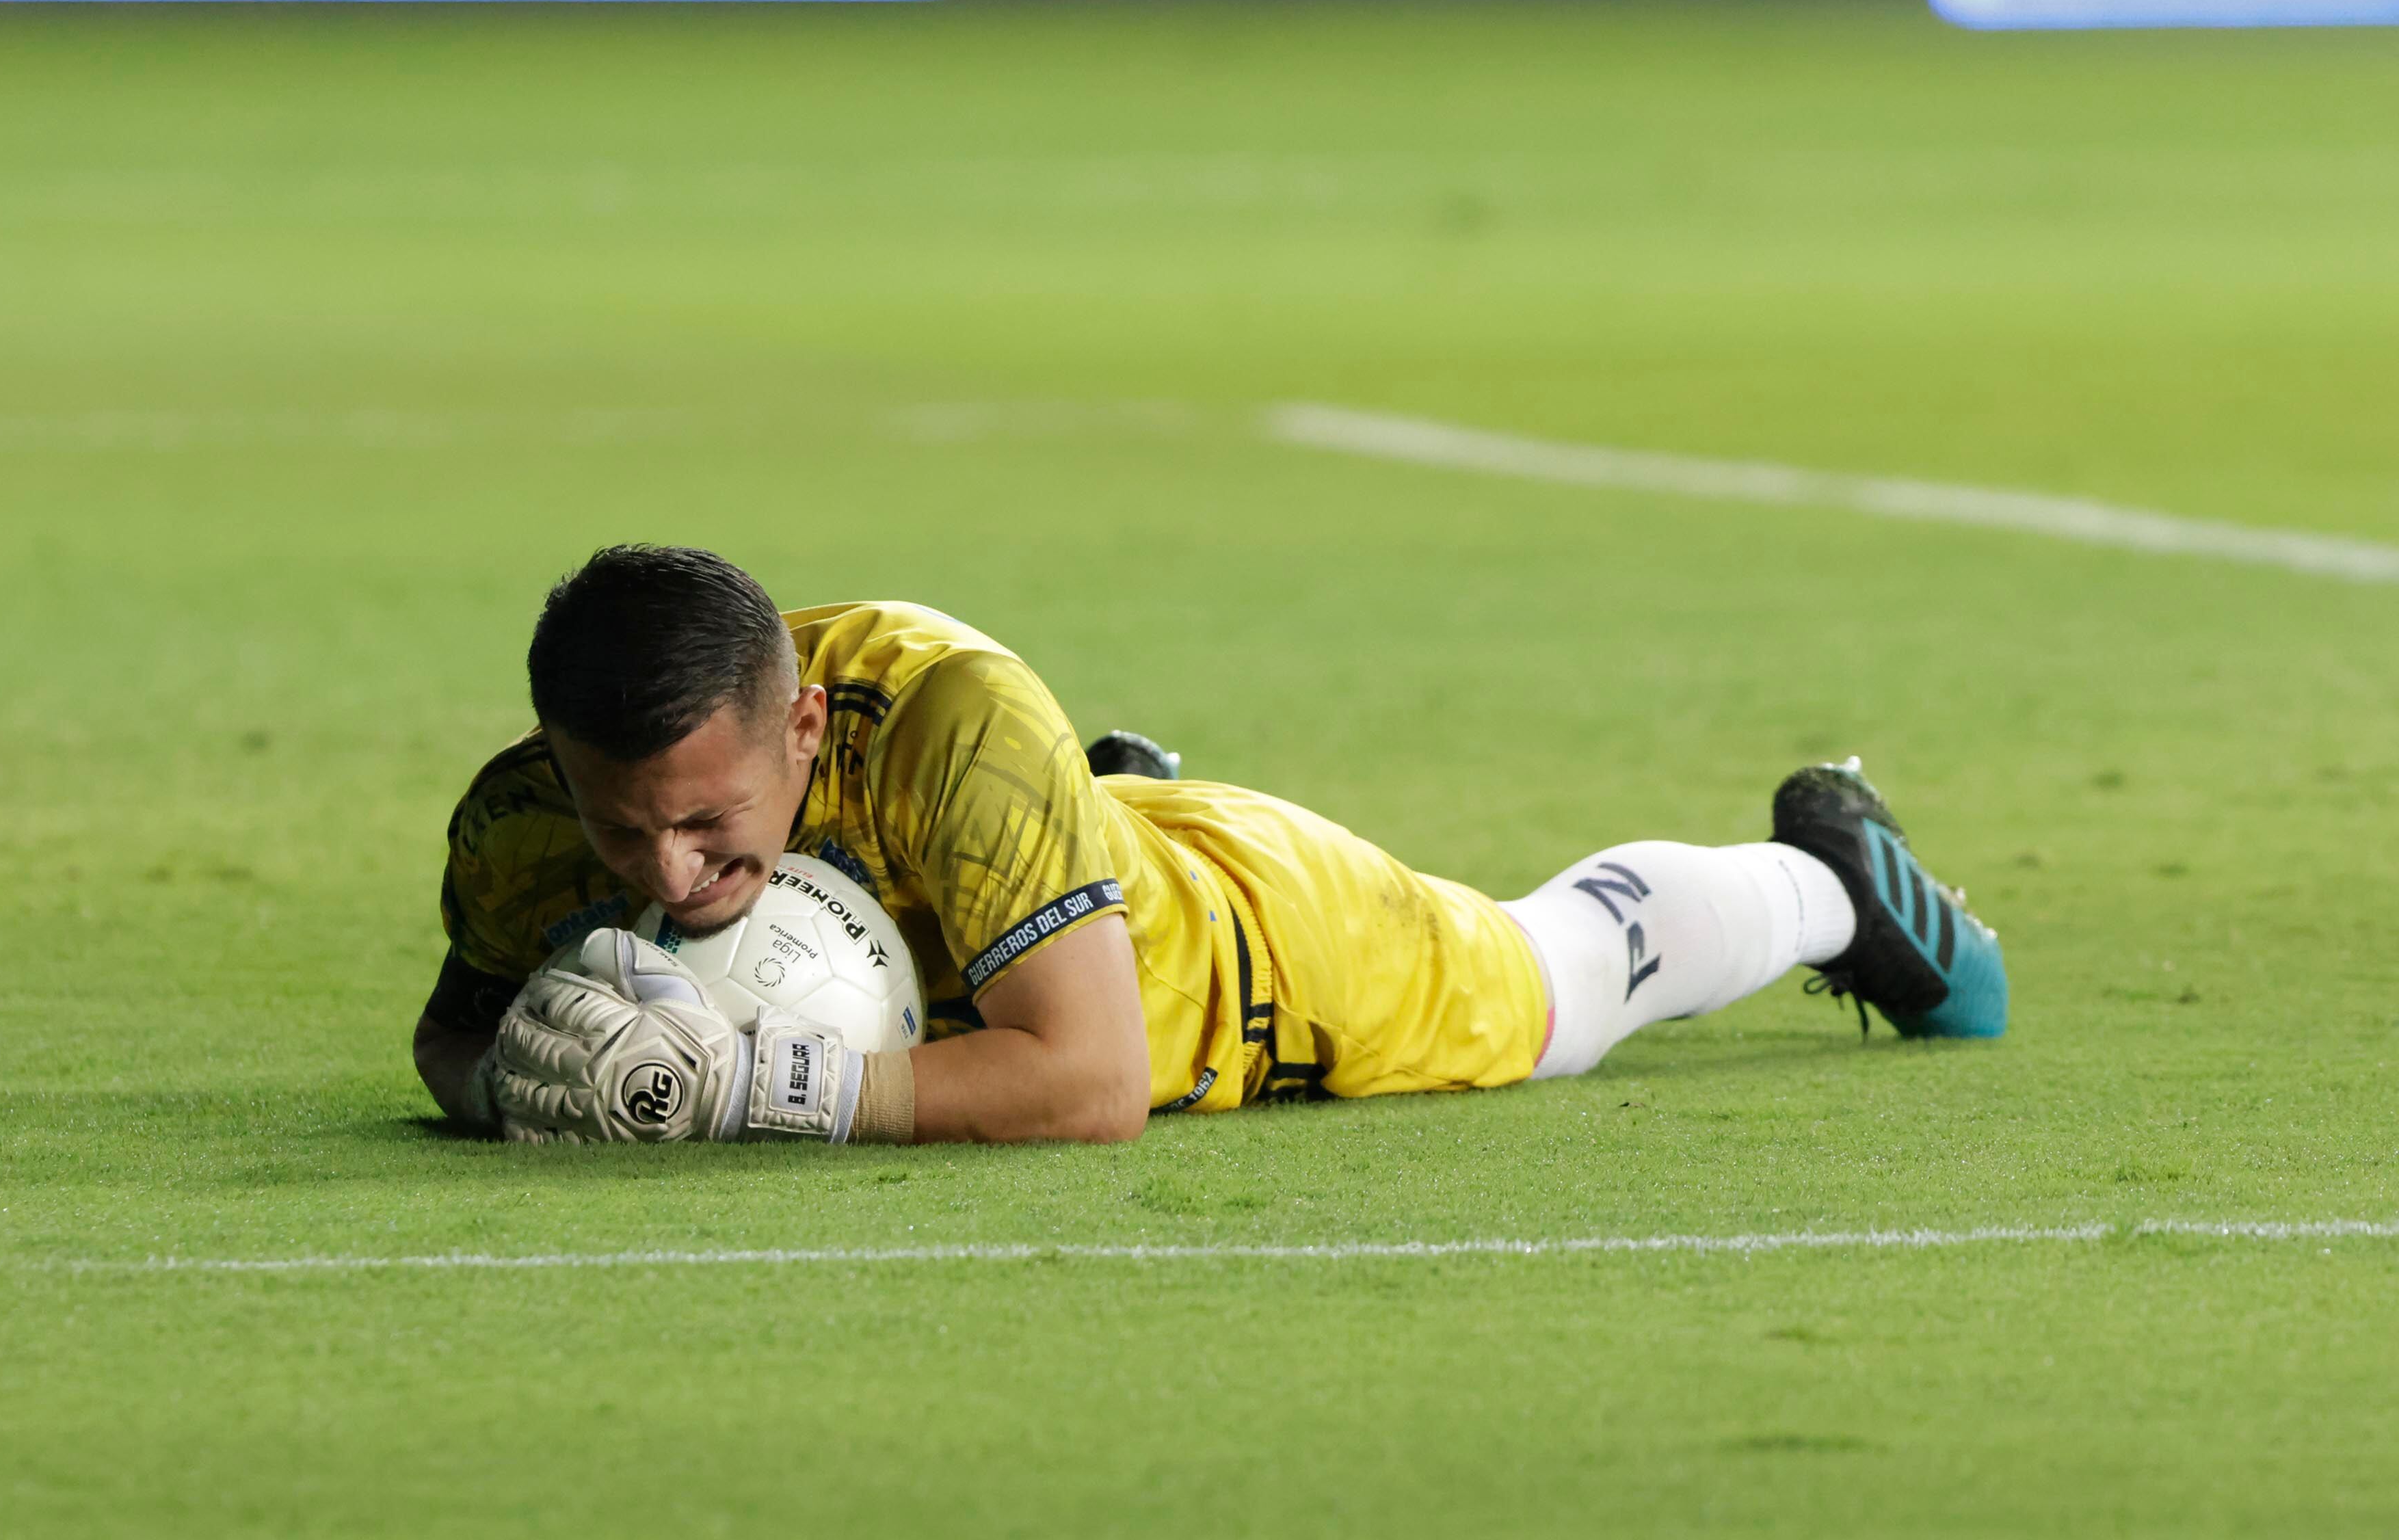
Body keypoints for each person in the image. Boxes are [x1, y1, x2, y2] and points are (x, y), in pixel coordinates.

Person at [414, 545, 2006, 1146]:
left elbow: (1094, 1089)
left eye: (710, 825)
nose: (668, 875)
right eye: (626, 829)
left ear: (810, 736)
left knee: (1558, 981)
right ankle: (1077, 828)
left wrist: (750, 1090)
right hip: (1039, 854)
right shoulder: (523, 819)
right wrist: (515, 1084)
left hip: (1248, 953)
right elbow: (455, 1031)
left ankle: (1829, 883)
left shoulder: (950, 714)